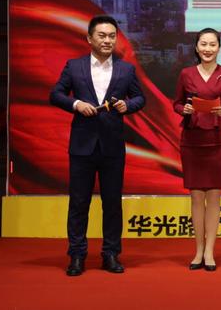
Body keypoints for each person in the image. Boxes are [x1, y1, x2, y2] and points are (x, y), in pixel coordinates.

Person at [49, 15, 146, 276]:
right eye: (102, 35)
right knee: (79, 203)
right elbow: (55, 94)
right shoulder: (74, 66)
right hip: (82, 145)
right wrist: (76, 104)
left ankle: (111, 254)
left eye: (112, 36)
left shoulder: (126, 69)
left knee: (112, 203)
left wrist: (127, 105)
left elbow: (140, 98)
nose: (107, 40)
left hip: (113, 146)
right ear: (89, 38)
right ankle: (77, 255)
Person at [173, 27, 221, 272]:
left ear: (219, 48)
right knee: (196, 197)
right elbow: (177, 103)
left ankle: (210, 251)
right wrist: (184, 110)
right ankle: (198, 250)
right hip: (192, 140)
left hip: (218, 140)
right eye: (203, 44)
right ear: (196, 47)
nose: (207, 49)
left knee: (214, 196)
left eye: (212, 44)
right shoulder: (186, 73)